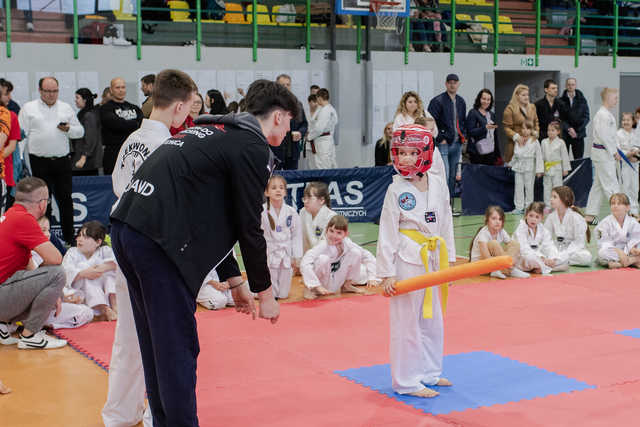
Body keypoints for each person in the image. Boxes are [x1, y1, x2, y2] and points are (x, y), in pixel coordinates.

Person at [109, 79, 291, 425]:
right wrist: (264, 292)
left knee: (155, 344)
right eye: (290, 120)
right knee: (176, 348)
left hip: (127, 230)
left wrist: (235, 281)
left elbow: (213, 214)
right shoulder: (251, 146)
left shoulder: (216, 131)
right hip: (157, 241)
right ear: (280, 116)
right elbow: (248, 225)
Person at [103, 69, 198, 427]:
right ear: (176, 107)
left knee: (130, 336)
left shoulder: (132, 140)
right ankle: (159, 415)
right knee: (159, 339)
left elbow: (116, 186)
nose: (187, 117)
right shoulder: (168, 148)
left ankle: (120, 413)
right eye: (187, 109)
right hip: (153, 249)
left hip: (126, 241)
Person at [377, 123, 455, 398]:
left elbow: (445, 223)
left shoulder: (437, 183)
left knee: (432, 318)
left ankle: (430, 372)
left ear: (425, 153)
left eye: (412, 152)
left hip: (434, 257)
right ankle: (407, 381)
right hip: (406, 260)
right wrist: (386, 273)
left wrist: (450, 262)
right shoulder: (395, 190)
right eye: (401, 153)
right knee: (406, 323)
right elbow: (386, 233)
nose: (406, 158)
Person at [0, 177, 67, 350]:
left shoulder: (9, 215)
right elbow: (56, 259)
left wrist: (49, 290)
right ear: (42, 203)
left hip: (4, 292)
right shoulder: (24, 219)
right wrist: (51, 285)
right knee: (58, 273)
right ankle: (30, 335)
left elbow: (28, 262)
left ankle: (2, 327)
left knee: (48, 278)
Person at [19, 76, 84, 245]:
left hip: (62, 161)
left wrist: (68, 128)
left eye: (54, 91)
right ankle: (41, 240)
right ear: (40, 90)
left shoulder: (66, 108)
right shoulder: (29, 108)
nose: (51, 95)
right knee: (41, 203)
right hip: (38, 161)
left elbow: (80, 132)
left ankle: (70, 241)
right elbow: (21, 137)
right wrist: (19, 160)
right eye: (47, 91)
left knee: (65, 201)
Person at [33, 216, 94, 330]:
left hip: (41, 304)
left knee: (79, 295)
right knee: (87, 312)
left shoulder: (47, 251)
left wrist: (65, 297)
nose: (47, 234)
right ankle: (39, 325)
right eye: (43, 230)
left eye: (48, 230)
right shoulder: (34, 255)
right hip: (34, 309)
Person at [301, 215, 376, 299]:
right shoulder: (322, 245)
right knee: (323, 259)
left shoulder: (347, 243)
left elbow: (367, 255)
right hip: (320, 282)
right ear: (326, 230)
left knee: (356, 253)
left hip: (333, 280)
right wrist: (316, 285)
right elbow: (305, 262)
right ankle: (309, 289)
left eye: (339, 233)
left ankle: (346, 285)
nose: (334, 236)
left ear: (346, 234)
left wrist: (371, 277)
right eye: (331, 231)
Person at [62, 221, 118, 321]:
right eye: (79, 235)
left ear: (98, 242)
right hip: (82, 292)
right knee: (87, 275)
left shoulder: (104, 250)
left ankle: (115, 306)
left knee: (109, 274)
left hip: (106, 294)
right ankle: (103, 309)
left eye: (86, 237)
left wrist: (98, 270)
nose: (80, 239)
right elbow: (65, 272)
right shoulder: (72, 252)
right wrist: (85, 273)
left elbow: (116, 264)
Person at [427, 74, 467, 209]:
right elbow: (430, 122)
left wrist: (464, 136)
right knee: (443, 174)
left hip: (457, 144)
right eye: (450, 82)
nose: (452, 84)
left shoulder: (461, 101)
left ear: (458, 84)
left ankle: (447, 203)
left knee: (452, 176)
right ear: (445, 84)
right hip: (443, 144)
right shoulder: (437, 101)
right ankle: (440, 203)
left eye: (455, 82)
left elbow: (462, 121)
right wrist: (440, 138)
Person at [261, 174, 302, 299]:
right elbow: (257, 235)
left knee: (283, 295)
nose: (278, 190)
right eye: (273, 188)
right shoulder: (262, 212)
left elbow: (296, 235)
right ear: (267, 193)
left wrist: (297, 256)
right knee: (272, 294)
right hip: (270, 251)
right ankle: (256, 289)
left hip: (286, 252)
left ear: (285, 192)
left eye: (281, 188)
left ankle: (261, 291)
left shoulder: (291, 212)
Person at [585, 88, 620, 225]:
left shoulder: (607, 114)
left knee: (598, 186)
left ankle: (590, 215)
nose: (616, 100)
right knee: (611, 184)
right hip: (603, 154)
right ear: (608, 98)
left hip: (604, 154)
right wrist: (614, 151)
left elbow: (612, 136)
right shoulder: (602, 115)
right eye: (615, 98)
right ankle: (620, 214)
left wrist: (616, 149)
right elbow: (604, 136)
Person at [468, 206, 529, 279]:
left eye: (500, 219)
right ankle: (508, 270)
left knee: (515, 244)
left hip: (494, 264)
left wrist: (510, 258)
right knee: (494, 243)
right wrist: (501, 263)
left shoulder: (501, 231)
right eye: (494, 219)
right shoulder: (483, 234)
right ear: (487, 220)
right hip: (479, 266)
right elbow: (487, 259)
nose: (497, 222)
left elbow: (511, 246)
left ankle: (510, 269)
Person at [100, 77, 144, 174]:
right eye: (117, 87)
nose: (121, 90)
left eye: (123, 87)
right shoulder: (105, 109)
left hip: (133, 152)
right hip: (113, 154)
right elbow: (116, 125)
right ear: (111, 90)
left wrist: (126, 123)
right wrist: (134, 123)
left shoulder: (134, 107)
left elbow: (142, 125)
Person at [513, 202, 567, 275]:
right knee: (530, 259)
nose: (533, 219)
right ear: (526, 215)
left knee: (564, 256)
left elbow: (549, 245)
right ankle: (549, 268)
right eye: (531, 216)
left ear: (541, 218)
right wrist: (543, 258)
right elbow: (524, 249)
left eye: (537, 217)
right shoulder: (521, 228)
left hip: (539, 257)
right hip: (523, 257)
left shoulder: (542, 229)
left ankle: (544, 268)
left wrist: (552, 259)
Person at [544, 186, 592, 267]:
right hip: (557, 248)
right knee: (538, 249)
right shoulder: (551, 217)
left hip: (572, 250)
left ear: (565, 199)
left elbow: (578, 243)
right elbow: (545, 237)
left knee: (586, 257)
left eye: (554, 197)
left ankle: (556, 262)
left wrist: (560, 257)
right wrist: (553, 252)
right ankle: (556, 261)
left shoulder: (576, 217)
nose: (551, 199)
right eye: (551, 197)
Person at [272, 74, 308, 170]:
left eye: (288, 85)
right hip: (275, 152)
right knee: (275, 179)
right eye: (283, 85)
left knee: (293, 180)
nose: (286, 87)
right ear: (277, 86)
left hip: (292, 151)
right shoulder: (270, 105)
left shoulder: (297, 104)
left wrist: (300, 133)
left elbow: (304, 124)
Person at [594, 193, 640, 269]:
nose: (615, 206)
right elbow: (604, 243)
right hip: (614, 251)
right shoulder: (604, 223)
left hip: (629, 251)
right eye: (613, 203)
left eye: (619, 204)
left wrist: (632, 249)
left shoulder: (633, 223)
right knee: (602, 253)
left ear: (627, 207)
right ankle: (633, 261)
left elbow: (636, 238)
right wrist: (619, 251)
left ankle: (620, 263)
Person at [511, 121, 543, 215]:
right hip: (519, 166)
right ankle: (519, 207)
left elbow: (539, 156)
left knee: (529, 187)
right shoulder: (518, 140)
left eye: (528, 128)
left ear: (531, 130)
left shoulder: (535, 141)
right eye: (523, 128)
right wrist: (510, 163)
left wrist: (539, 170)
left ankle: (528, 207)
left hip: (530, 166)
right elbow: (515, 155)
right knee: (518, 186)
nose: (525, 131)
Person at [502, 84, 540, 163]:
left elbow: (536, 122)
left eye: (527, 95)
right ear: (517, 96)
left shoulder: (532, 107)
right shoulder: (510, 109)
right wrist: (516, 136)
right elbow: (506, 128)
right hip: (516, 145)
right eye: (523, 95)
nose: (526, 97)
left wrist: (536, 132)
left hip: (530, 144)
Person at [465, 89, 501, 166]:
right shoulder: (473, 113)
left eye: (488, 99)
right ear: (479, 99)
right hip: (476, 152)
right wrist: (485, 128)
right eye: (484, 99)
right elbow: (470, 132)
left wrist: (498, 154)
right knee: (478, 176)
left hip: (490, 151)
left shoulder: (491, 114)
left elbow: (495, 136)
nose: (486, 102)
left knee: (488, 175)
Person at [299, 181, 337, 253]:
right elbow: (299, 239)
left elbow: (325, 246)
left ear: (322, 200)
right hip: (307, 257)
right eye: (304, 198)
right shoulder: (303, 212)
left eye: (309, 198)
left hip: (326, 257)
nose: (305, 201)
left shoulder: (332, 217)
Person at [72, 89, 103, 176]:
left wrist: (84, 157)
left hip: (86, 161)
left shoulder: (89, 116)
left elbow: (91, 138)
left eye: (77, 98)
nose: (75, 100)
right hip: (83, 159)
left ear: (84, 100)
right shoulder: (83, 114)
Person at [541, 121, 571, 207]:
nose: (550, 132)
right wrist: (541, 168)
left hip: (557, 168)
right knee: (546, 188)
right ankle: (547, 205)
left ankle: (557, 205)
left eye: (552, 130)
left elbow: (565, 156)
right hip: (547, 168)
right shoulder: (544, 142)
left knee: (557, 188)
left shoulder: (561, 142)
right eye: (548, 130)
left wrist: (565, 169)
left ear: (558, 132)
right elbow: (542, 157)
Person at [306, 88, 338, 169]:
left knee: (323, 165)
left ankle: (324, 182)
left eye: (317, 99)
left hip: (323, 141)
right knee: (329, 162)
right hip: (326, 140)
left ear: (319, 98)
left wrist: (309, 137)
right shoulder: (330, 109)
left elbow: (319, 128)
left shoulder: (325, 110)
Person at [559, 77, 590, 159]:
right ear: (566, 86)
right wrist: (569, 128)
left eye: (572, 84)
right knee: (564, 159)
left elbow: (586, 117)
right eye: (568, 85)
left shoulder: (582, 100)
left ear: (575, 86)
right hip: (566, 134)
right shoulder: (560, 100)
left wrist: (576, 131)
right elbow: (560, 118)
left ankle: (578, 172)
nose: (570, 86)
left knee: (578, 159)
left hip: (579, 134)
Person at [616, 112, 640, 215]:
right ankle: (625, 211)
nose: (625, 122)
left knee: (634, 188)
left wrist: (635, 155)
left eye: (628, 120)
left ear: (633, 121)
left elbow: (637, 147)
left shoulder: (636, 133)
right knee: (625, 187)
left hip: (635, 164)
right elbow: (618, 150)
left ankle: (634, 211)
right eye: (623, 120)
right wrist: (628, 154)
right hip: (624, 165)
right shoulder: (618, 134)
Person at [0, 86, 19, 213]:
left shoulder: (6, 114)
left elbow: (10, 146)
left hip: (4, 171)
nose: (9, 97)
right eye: (6, 94)